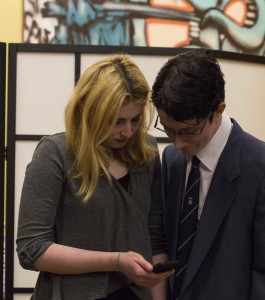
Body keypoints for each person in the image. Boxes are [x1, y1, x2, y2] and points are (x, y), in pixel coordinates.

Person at [16, 53, 173, 300]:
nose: (128, 131)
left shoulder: (148, 152)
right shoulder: (56, 153)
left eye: (135, 119)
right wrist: (117, 261)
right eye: (116, 121)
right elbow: (31, 249)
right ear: (89, 111)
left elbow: (154, 239)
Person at [151, 48, 265, 300]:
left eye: (189, 131)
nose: (178, 144)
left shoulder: (258, 165)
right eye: (169, 131)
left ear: (219, 110)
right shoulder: (171, 160)